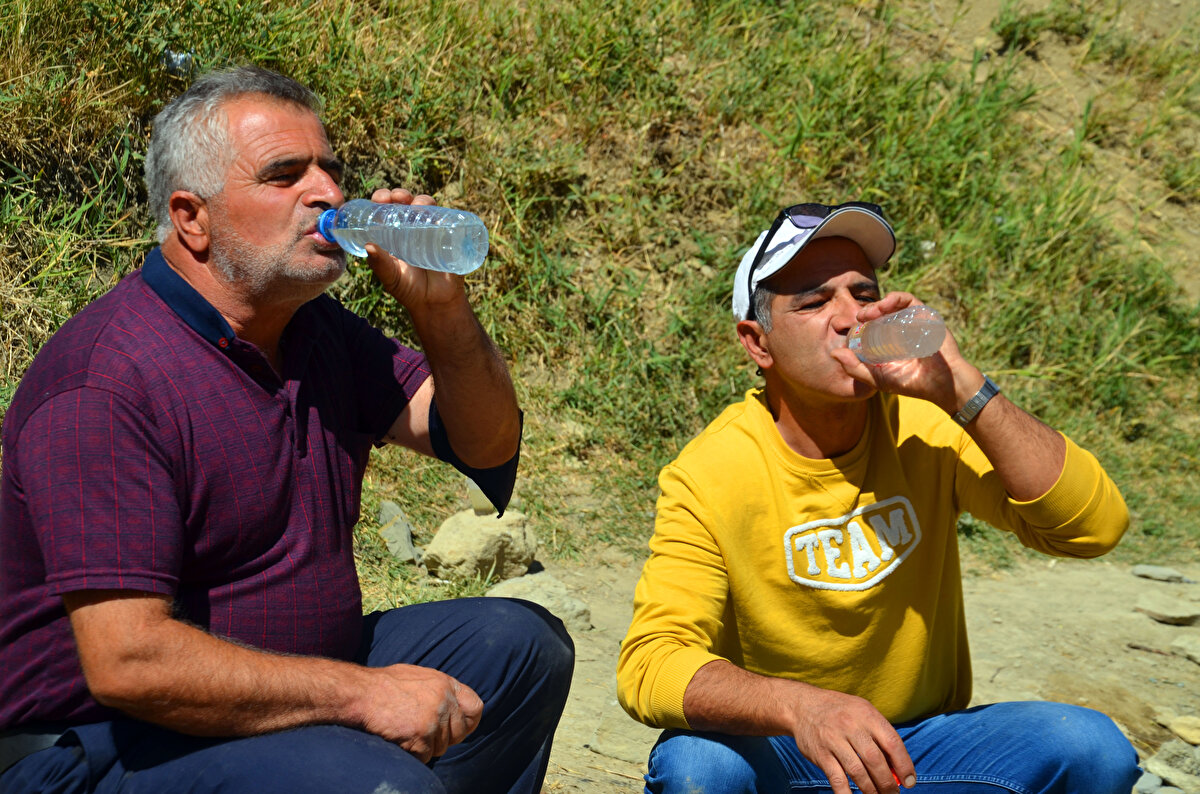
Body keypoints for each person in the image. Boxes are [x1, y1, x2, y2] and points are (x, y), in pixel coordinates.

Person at [0, 65, 573, 793]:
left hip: (289, 689)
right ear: (191, 217)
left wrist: (442, 312)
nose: (330, 195)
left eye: (331, 171)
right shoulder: (106, 382)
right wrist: (364, 697)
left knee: (517, 648)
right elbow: (128, 663)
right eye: (284, 174)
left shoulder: (311, 331)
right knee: (365, 780)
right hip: (103, 748)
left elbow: (485, 442)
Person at [616, 201, 1141, 794]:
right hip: (785, 751)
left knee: (1092, 748)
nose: (850, 317)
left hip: (918, 751)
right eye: (814, 301)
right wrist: (803, 709)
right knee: (698, 767)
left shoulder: (927, 423)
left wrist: (963, 387)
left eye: (864, 295)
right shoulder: (709, 473)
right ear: (758, 344)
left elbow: (1092, 529)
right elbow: (650, 663)